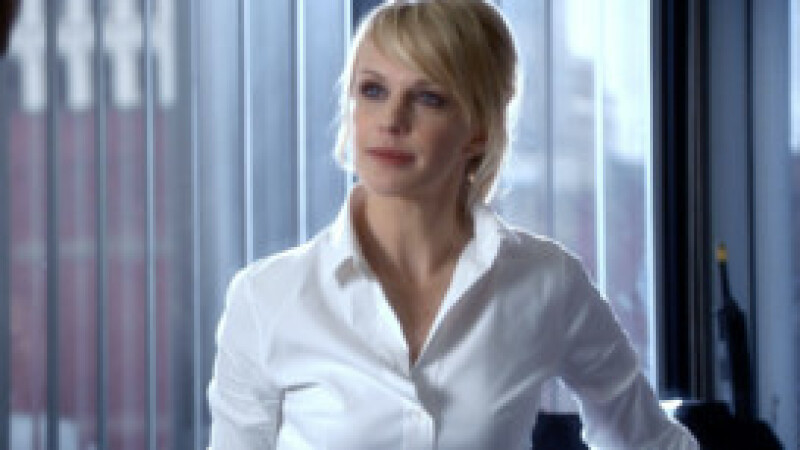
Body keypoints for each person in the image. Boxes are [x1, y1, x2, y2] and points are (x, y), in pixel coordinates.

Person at [207, 1, 700, 448]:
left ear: (479, 130)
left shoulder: (547, 282)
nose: (391, 120)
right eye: (373, 90)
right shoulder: (266, 298)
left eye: (429, 98)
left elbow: (651, 442)